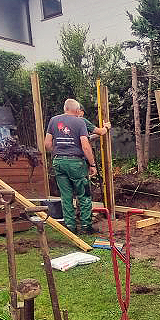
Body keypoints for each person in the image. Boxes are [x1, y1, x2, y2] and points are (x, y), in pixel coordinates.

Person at [44, 99, 98, 234]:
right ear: (77, 110)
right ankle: (86, 227)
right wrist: (92, 164)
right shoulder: (80, 122)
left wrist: (57, 153)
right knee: (83, 194)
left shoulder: (53, 120)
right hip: (76, 164)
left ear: (65, 108)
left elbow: (47, 144)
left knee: (66, 196)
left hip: (59, 162)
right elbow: (85, 146)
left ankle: (70, 227)